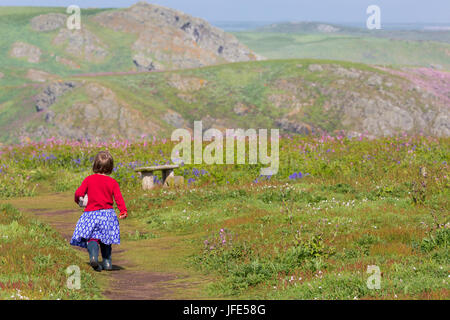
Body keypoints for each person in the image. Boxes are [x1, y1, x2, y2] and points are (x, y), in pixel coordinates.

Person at [70, 151, 128, 271]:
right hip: (108, 215)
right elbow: (118, 198)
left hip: (91, 214)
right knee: (106, 239)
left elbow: (79, 193)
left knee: (93, 237)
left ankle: (93, 257)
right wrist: (123, 210)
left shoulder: (89, 180)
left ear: (95, 165)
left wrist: (78, 200)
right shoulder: (113, 182)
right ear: (110, 167)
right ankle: (107, 262)